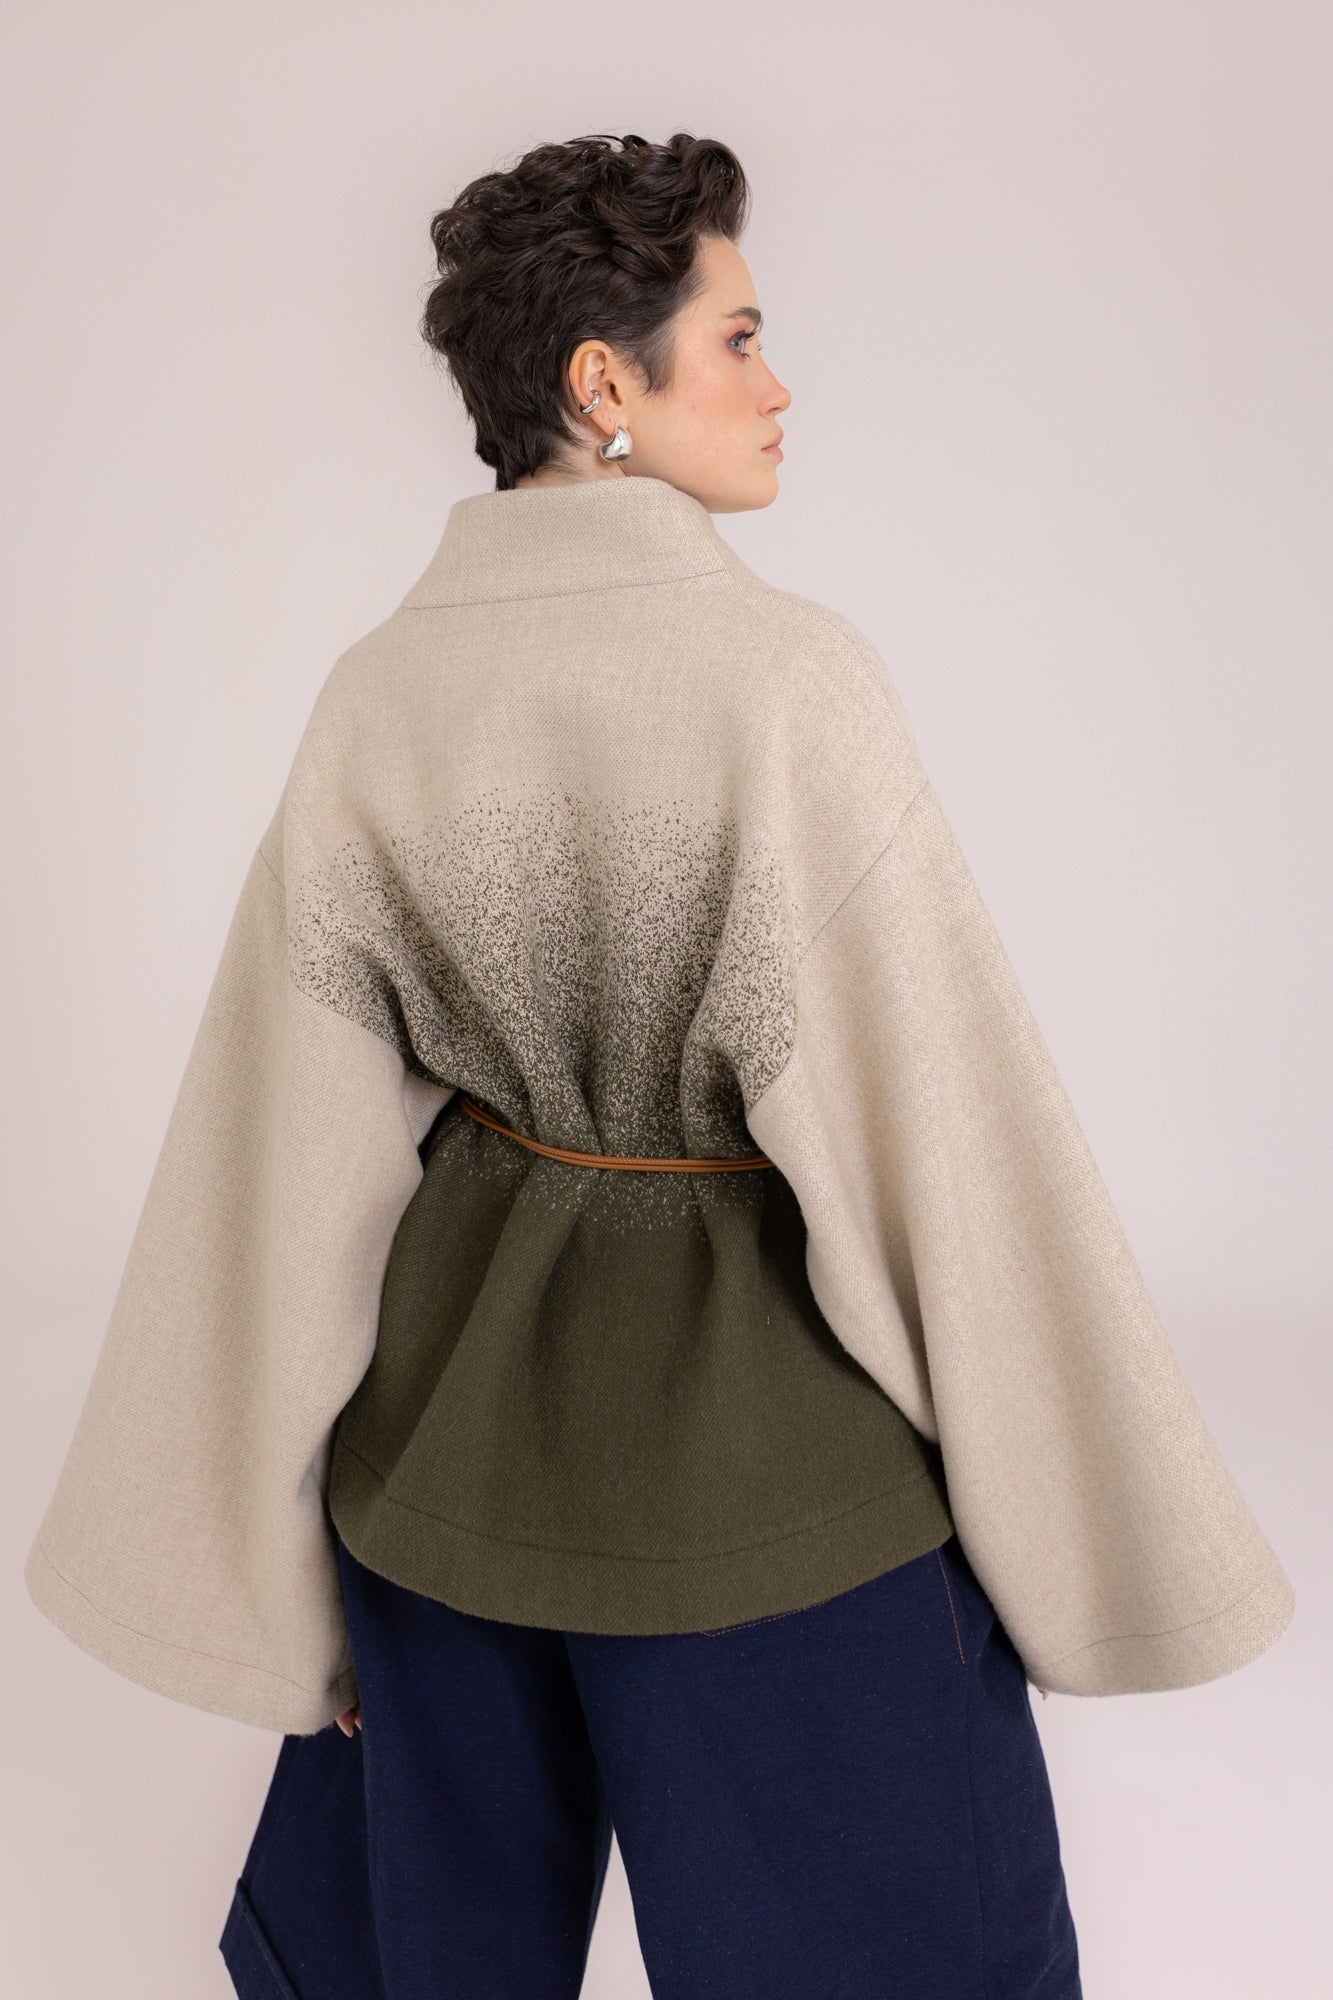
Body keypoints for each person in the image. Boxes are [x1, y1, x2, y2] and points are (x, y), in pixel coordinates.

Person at [25, 131, 1293, 2000]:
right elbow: (939, 1135)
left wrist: (275, 1587)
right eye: (741, 339)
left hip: (446, 1469)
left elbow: (277, 1147)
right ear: (599, 383)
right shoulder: (783, 682)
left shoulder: (380, 689)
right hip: (765, 1493)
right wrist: (1095, 1535)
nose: (780, 388)